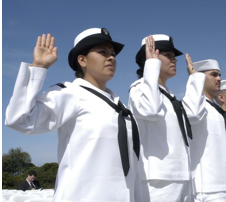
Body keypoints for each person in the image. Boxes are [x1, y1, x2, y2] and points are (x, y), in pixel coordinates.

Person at [6, 29, 140, 201]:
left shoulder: (121, 107)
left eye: (113, 54)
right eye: (103, 52)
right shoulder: (70, 93)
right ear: (82, 60)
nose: (111, 57)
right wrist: (39, 67)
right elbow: (20, 119)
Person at [129, 34, 204, 202]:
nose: (174, 60)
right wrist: (151, 65)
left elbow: (194, 114)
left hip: (182, 175)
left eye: (174, 56)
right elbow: (151, 110)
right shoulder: (140, 88)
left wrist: (194, 79)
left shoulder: (169, 96)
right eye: (168, 56)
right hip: (157, 181)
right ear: (150, 58)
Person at [187, 59, 226, 201]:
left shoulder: (219, 112)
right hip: (209, 189)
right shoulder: (195, 106)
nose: (219, 79)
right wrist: (194, 78)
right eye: (214, 75)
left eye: (219, 75)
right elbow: (192, 114)